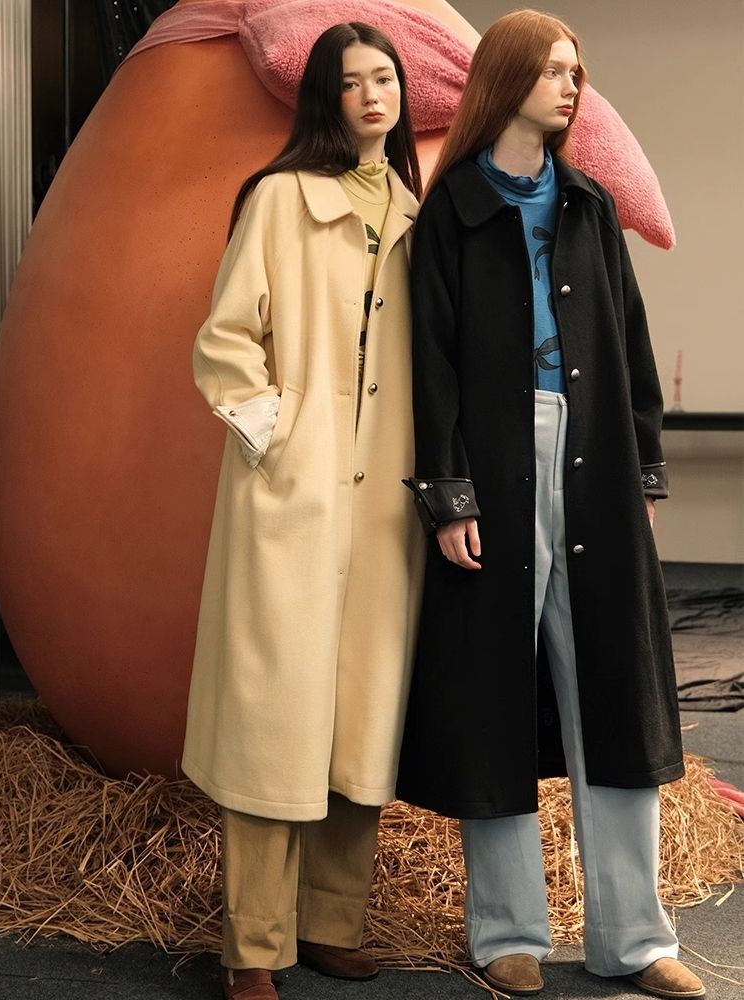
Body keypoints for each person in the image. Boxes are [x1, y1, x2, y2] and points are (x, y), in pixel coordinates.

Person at [396, 10, 705, 999]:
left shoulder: (588, 204)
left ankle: (635, 939)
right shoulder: (450, 214)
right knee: (492, 691)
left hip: (595, 453)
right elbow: (430, 367)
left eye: (578, 71)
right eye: (556, 71)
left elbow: (631, 342)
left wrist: (642, 468)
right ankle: (506, 932)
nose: (574, 87)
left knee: (615, 690)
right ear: (508, 79)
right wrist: (450, 493)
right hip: (495, 460)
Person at [181, 22, 424, 1000]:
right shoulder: (279, 198)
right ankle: (252, 944)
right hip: (290, 490)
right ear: (326, 97)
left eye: (385, 77)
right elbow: (225, 337)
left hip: (385, 499)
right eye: (352, 81)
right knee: (272, 717)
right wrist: (274, 436)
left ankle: (331, 922)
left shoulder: (414, 212)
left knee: (360, 713)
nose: (373, 94)